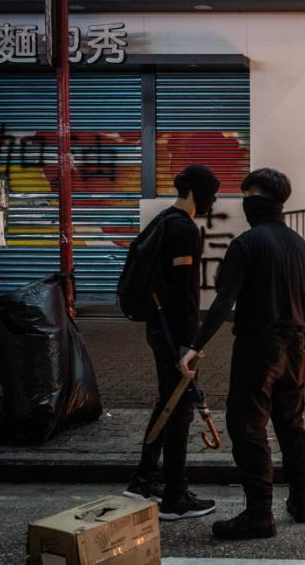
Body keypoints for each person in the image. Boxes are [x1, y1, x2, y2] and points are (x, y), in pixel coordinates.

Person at [180, 168, 305, 540]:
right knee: (292, 426)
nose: (244, 202)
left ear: (261, 201)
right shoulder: (301, 247)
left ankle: (259, 515)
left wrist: (195, 345)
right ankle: (301, 502)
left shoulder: (246, 245)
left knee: (248, 428)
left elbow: (225, 302)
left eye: (248, 194)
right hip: (293, 348)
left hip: (258, 348)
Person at [123, 164, 220, 521]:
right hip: (172, 333)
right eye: (211, 192)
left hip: (157, 325)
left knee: (168, 402)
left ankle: (144, 478)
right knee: (180, 410)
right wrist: (188, 345)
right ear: (195, 192)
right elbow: (186, 294)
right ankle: (175, 497)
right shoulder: (184, 229)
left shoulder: (163, 219)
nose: (214, 199)